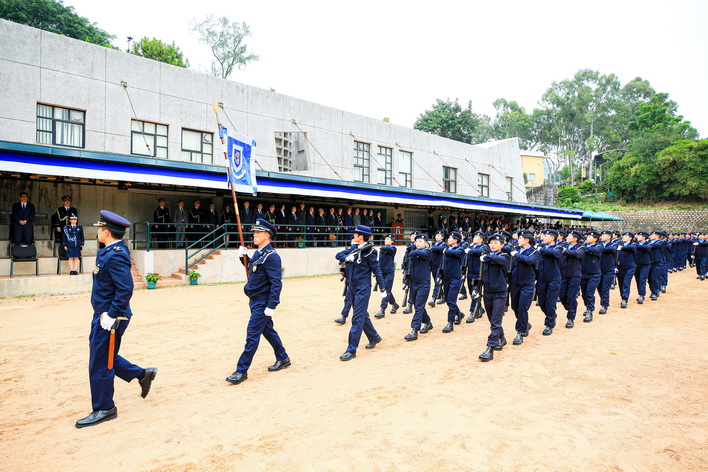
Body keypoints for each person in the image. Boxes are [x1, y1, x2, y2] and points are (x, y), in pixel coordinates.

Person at [75, 210, 156, 428]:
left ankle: (105, 408)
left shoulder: (116, 254)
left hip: (112, 316)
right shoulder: (108, 251)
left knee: (100, 362)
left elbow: (125, 289)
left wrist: (112, 315)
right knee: (102, 356)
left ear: (106, 232)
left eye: (100, 228)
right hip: (103, 314)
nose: (98, 231)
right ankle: (142, 374)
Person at [226, 219, 291, 385]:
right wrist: (243, 257)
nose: (254, 235)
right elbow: (254, 269)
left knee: (252, 335)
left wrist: (271, 305)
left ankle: (241, 371)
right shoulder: (259, 253)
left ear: (267, 235)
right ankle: (283, 357)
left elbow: (276, 283)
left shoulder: (272, 256)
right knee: (268, 331)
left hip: (262, 303)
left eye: (258, 232)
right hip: (254, 300)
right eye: (254, 232)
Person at [335, 225, 387, 361]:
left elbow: (377, 270)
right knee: (362, 314)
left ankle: (351, 350)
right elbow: (338, 255)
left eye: (356, 234)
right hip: (352, 286)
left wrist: (383, 288)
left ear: (361, 236)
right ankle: (374, 337)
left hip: (363, 288)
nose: (354, 236)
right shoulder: (354, 248)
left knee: (357, 318)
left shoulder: (370, 252)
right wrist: (348, 257)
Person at [478, 234, 512, 361]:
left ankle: (490, 348)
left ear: (502, 245)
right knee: (492, 319)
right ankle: (501, 338)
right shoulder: (487, 257)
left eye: (496, 243)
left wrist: (486, 257)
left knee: (496, 321)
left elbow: (500, 261)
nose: (492, 245)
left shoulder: (504, 256)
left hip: (500, 293)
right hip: (487, 292)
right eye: (491, 243)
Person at [508, 230, 539, 343]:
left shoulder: (534, 252)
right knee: (514, 306)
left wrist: (516, 255)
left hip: (527, 284)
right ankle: (525, 323)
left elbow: (529, 261)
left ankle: (520, 332)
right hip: (515, 283)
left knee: (522, 307)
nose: (518, 240)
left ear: (527, 240)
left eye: (520, 238)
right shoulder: (515, 249)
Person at [404, 233, 433, 341]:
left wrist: (413, 252)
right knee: (417, 305)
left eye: (420, 241)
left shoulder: (428, 251)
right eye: (416, 241)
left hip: (423, 283)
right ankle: (428, 322)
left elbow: (422, 254)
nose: (418, 243)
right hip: (413, 283)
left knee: (419, 306)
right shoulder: (413, 252)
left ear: (426, 243)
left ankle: (414, 330)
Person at [537, 229, 562, 336]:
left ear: (552, 238)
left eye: (546, 236)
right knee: (541, 302)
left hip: (553, 279)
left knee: (550, 302)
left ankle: (549, 324)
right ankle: (551, 315)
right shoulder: (542, 247)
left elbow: (555, 253)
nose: (543, 238)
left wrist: (541, 249)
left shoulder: (558, 247)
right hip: (542, 278)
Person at [559, 230, 586, 328]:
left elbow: (578, 254)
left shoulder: (581, 247)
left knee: (571, 296)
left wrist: (565, 251)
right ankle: (572, 307)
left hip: (575, 275)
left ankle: (571, 317)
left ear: (575, 238)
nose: (567, 237)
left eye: (569, 236)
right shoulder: (564, 245)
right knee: (561, 296)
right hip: (563, 274)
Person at [441, 231, 465, 333]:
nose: (448, 240)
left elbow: (456, 253)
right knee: (447, 299)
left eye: (451, 238)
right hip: (446, 277)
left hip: (455, 278)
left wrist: (446, 251)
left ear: (456, 240)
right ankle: (458, 313)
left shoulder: (460, 249)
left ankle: (450, 322)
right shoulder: (448, 249)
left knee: (451, 300)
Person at [464, 231, 488, 322]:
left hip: (479, 273)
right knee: (471, 292)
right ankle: (480, 308)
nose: (474, 238)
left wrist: (470, 251)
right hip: (470, 272)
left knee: (475, 292)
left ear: (481, 239)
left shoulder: (484, 247)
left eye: (476, 237)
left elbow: (480, 252)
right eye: (474, 237)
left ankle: (472, 312)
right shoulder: (471, 247)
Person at [374, 234, 399, 318]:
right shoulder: (383, 249)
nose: (386, 240)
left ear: (392, 241)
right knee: (387, 290)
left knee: (385, 291)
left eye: (388, 239)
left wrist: (382, 247)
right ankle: (394, 304)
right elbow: (380, 261)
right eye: (385, 239)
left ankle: (382, 309)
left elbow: (388, 249)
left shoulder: (392, 248)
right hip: (382, 273)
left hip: (389, 273)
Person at [580, 231, 603, 323]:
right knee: (584, 293)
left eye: (590, 237)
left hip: (594, 274)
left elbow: (596, 251)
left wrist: (584, 248)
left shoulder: (598, 246)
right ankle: (587, 307)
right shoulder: (583, 246)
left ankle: (590, 310)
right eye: (588, 236)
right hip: (582, 273)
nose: (587, 238)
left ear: (595, 239)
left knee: (590, 293)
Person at [597, 230, 618, 314]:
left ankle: (604, 305)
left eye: (604, 235)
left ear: (609, 237)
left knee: (605, 288)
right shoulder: (599, 243)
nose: (602, 237)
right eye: (602, 235)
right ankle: (604, 300)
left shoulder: (613, 244)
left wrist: (599, 249)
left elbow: (612, 249)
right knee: (599, 287)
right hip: (598, 268)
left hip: (609, 269)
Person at [616, 232, 637, 308]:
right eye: (623, 236)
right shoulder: (619, 243)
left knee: (626, 283)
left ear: (630, 238)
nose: (624, 237)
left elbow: (633, 248)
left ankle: (624, 299)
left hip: (630, 267)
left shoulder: (633, 244)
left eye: (626, 236)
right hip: (620, 266)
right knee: (621, 283)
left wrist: (622, 248)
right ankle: (622, 296)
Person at [429, 230, 446, 307]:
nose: (437, 237)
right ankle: (443, 296)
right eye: (436, 235)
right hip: (433, 266)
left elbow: (440, 249)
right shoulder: (434, 244)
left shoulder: (443, 244)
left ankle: (434, 298)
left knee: (437, 282)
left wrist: (432, 248)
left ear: (442, 237)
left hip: (440, 266)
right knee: (437, 281)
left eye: (439, 235)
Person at [648, 231, 667, 301]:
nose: (651, 236)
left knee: (654, 277)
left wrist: (648, 244)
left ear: (657, 236)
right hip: (649, 262)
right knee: (649, 279)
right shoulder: (649, 242)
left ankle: (655, 292)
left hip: (658, 263)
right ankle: (653, 290)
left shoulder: (661, 242)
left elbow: (653, 246)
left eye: (653, 235)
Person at [634, 232, 652, 304]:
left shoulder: (648, 243)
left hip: (645, 264)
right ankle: (640, 293)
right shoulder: (635, 243)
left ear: (644, 237)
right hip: (636, 264)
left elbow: (648, 248)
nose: (637, 237)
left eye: (640, 236)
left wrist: (637, 245)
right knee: (638, 279)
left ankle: (641, 295)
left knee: (642, 279)